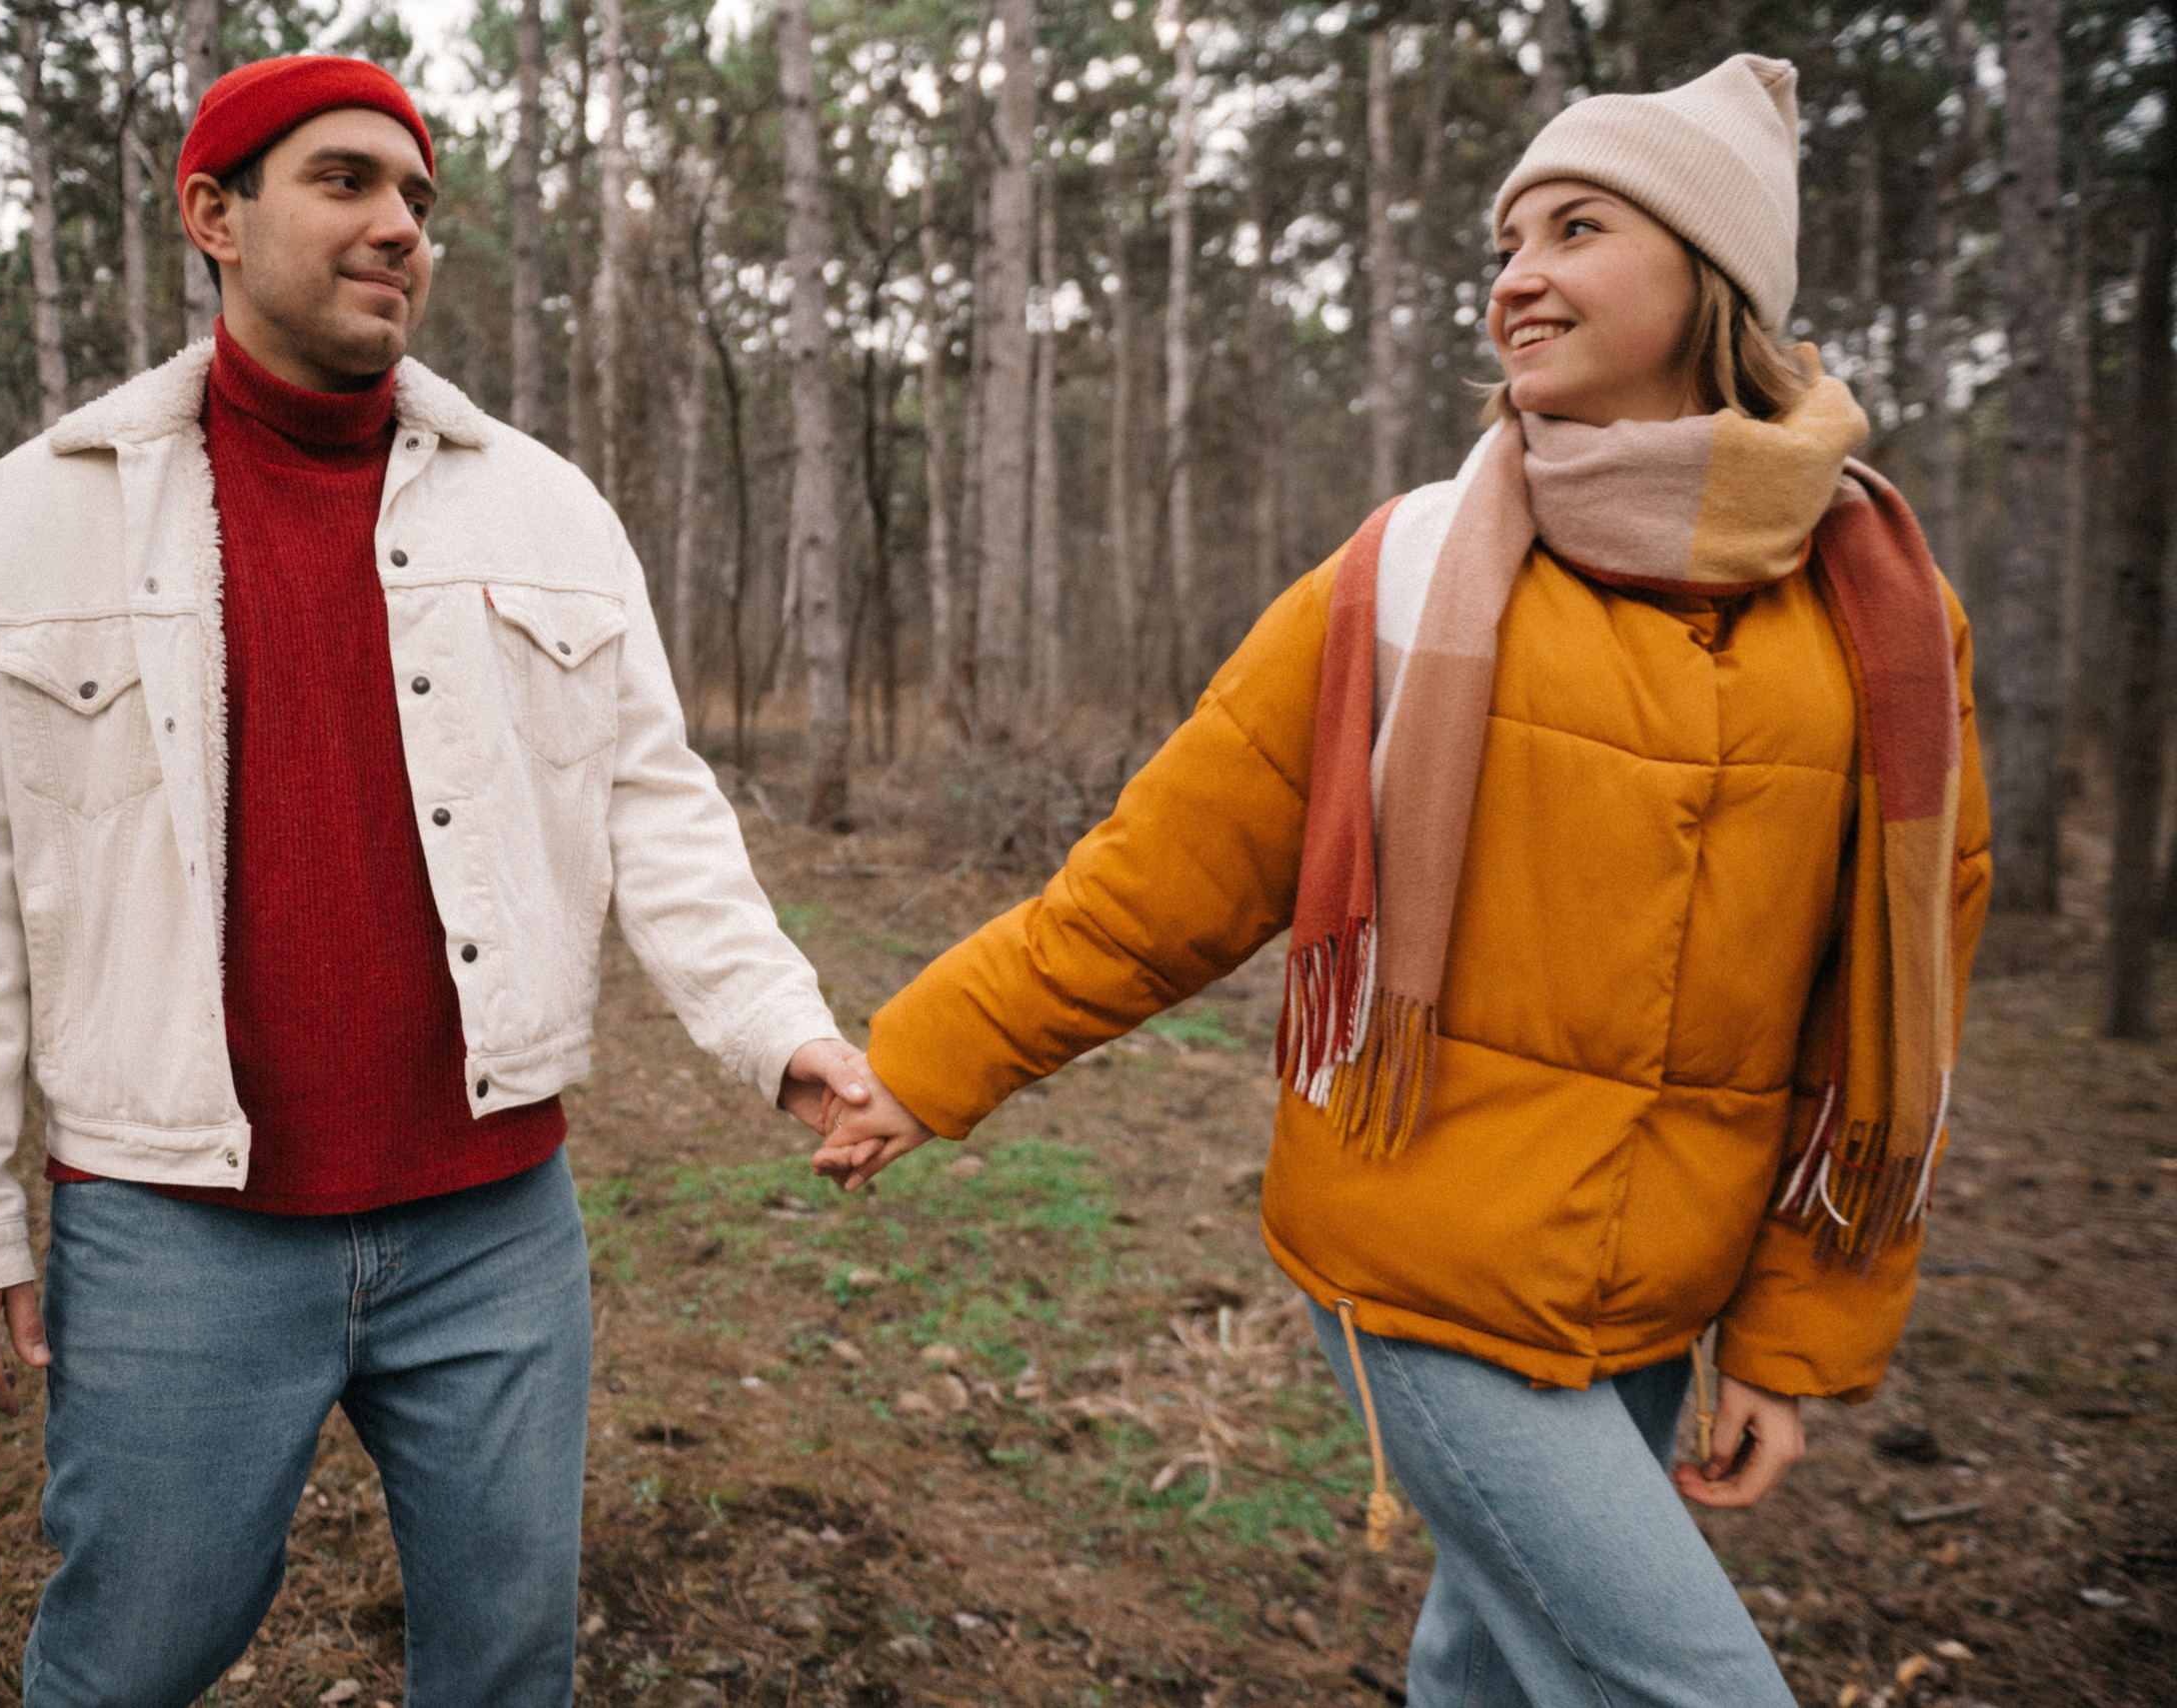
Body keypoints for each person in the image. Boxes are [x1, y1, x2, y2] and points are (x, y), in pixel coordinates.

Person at [814, 54, 1989, 1708]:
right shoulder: (1410, 576)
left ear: (1713, 272)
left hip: (1667, 1290)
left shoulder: (1885, 621)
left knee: (1491, 1680)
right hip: (1424, 1267)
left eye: (1575, 229)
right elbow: (1155, 884)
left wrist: (1790, 1344)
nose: (1517, 277)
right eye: (1506, 244)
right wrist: (927, 1062)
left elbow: (1871, 1028)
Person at [0, 55, 870, 1707]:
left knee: (507, 1659)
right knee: (131, 1658)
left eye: (418, 198)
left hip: (493, 1221)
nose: (400, 225)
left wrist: (781, 1027)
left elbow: (655, 803)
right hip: (176, 1228)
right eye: (344, 181)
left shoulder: (547, 510)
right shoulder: (22, 529)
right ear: (213, 214)